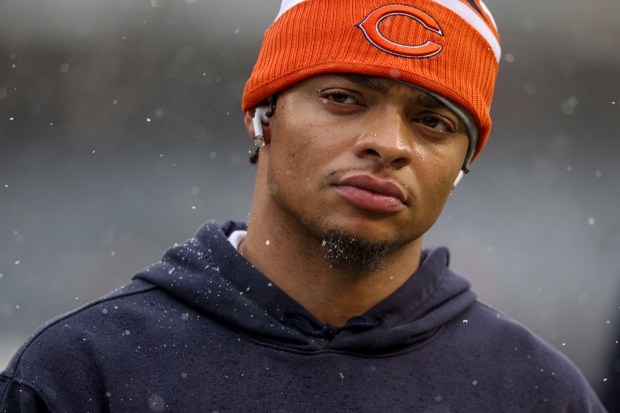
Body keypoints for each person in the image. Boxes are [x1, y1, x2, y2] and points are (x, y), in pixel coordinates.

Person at [0, 0, 607, 411]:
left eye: (433, 121)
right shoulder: (82, 372)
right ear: (261, 113)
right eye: (344, 97)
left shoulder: (537, 392)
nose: (389, 145)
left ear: (464, 163)